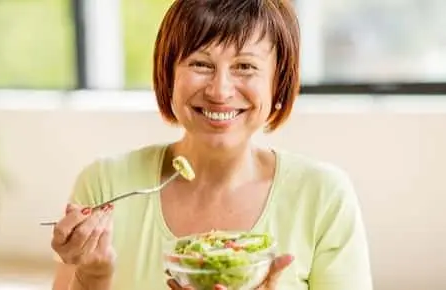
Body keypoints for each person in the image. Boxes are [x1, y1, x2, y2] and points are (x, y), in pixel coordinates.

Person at [50, 0, 373, 289]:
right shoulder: (105, 185)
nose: (220, 91)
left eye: (245, 66)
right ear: (168, 76)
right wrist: (92, 276)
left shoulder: (323, 195)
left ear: (278, 82)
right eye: (201, 64)